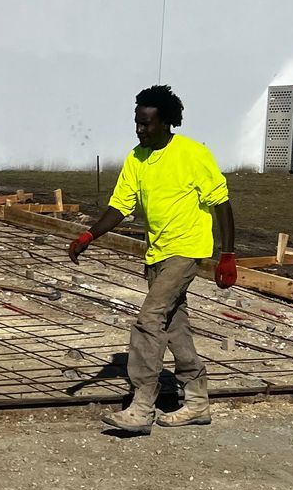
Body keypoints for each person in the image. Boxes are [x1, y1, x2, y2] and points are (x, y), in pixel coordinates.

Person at [68, 84, 236, 433]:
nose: (140, 129)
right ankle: (197, 401)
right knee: (174, 325)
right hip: (156, 252)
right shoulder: (137, 158)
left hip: (186, 250)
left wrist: (228, 255)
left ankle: (142, 406)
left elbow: (221, 202)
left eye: (146, 123)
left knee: (149, 320)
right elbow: (120, 205)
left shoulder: (192, 154)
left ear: (166, 122)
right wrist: (89, 236)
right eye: (137, 122)